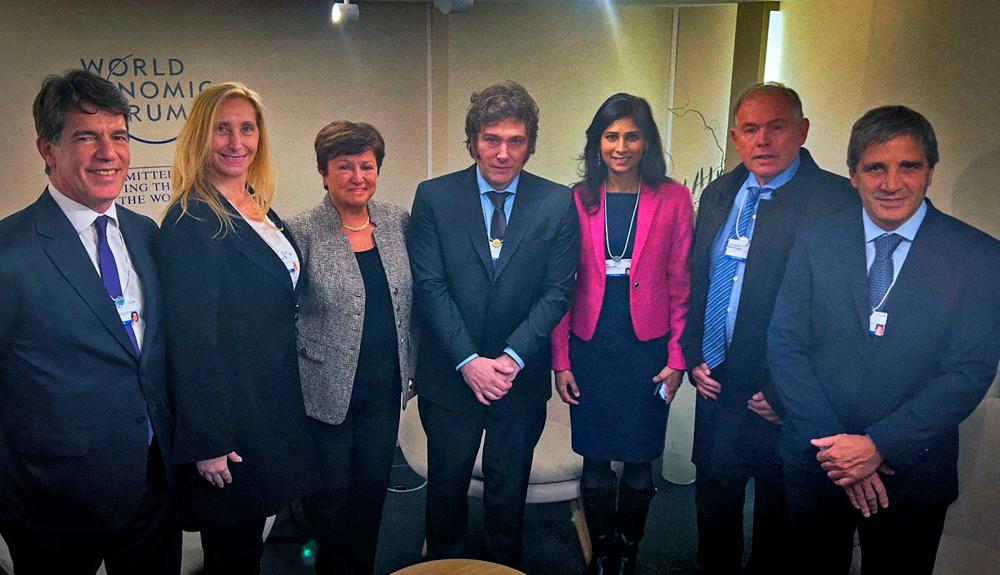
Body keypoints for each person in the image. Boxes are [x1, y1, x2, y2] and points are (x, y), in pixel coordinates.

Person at [768, 105, 1000, 575]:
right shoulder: (816, 241)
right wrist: (839, 453)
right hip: (817, 464)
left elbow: (969, 371)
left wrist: (878, 446)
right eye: (876, 167)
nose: (891, 183)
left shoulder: (977, 256)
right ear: (853, 175)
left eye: (908, 166)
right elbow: (785, 343)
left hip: (912, 472)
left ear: (930, 171)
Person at [0, 70, 179, 574]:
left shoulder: (146, 234)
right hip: (50, 506)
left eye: (118, 136)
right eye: (86, 136)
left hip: (151, 487)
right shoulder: (8, 251)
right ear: (48, 149)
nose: (109, 152)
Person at [678, 82, 858, 574]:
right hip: (718, 379)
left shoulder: (835, 202)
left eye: (776, 127)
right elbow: (700, 276)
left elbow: (841, 311)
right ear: (736, 136)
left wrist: (783, 390)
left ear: (801, 131)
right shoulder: (719, 193)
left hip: (783, 394)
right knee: (714, 497)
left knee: (779, 515)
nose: (763, 141)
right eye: (751, 129)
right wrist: (695, 350)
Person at [408, 81, 579, 567]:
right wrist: (468, 362)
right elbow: (430, 285)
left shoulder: (556, 202)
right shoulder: (435, 198)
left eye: (516, 141)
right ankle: (442, 565)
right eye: (491, 139)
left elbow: (558, 291)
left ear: (530, 143)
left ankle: (501, 567)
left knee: (508, 499)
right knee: (445, 494)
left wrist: (509, 359)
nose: (503, 153)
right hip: (451, 379)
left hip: (517, 380)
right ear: (472, 140)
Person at [157, 82, 320, 574]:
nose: (235, 142)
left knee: (248, 547)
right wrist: (207, 440)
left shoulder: (257, 206)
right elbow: (192, 339)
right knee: (231, 555)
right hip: (228, 424)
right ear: (199, 138)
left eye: (246, 128)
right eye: (220, 129)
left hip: (267, 408)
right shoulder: (192, 221)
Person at [551, 93, 693, 574]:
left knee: (639, 457)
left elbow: (680, 281)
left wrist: (678, 359)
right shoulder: (577, 198)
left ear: (647, 141)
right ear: (597, 143)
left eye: (632, 135)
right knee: (593, 455)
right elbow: (561, 286)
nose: (621, 145)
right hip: (590, 343)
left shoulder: (673, 198)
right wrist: (561, 360)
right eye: (611, 136)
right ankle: (602, 552)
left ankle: (627, 554)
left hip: (646, 347)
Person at [289, 121, 415, 575]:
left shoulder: (398, 222)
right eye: (345, 166)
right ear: (324, 172)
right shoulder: (299, 232)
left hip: (384, 394)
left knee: (370, 496)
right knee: (328, 502)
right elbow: (284, 314)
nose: (358, 175)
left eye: (367, 165)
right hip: (324, 397)